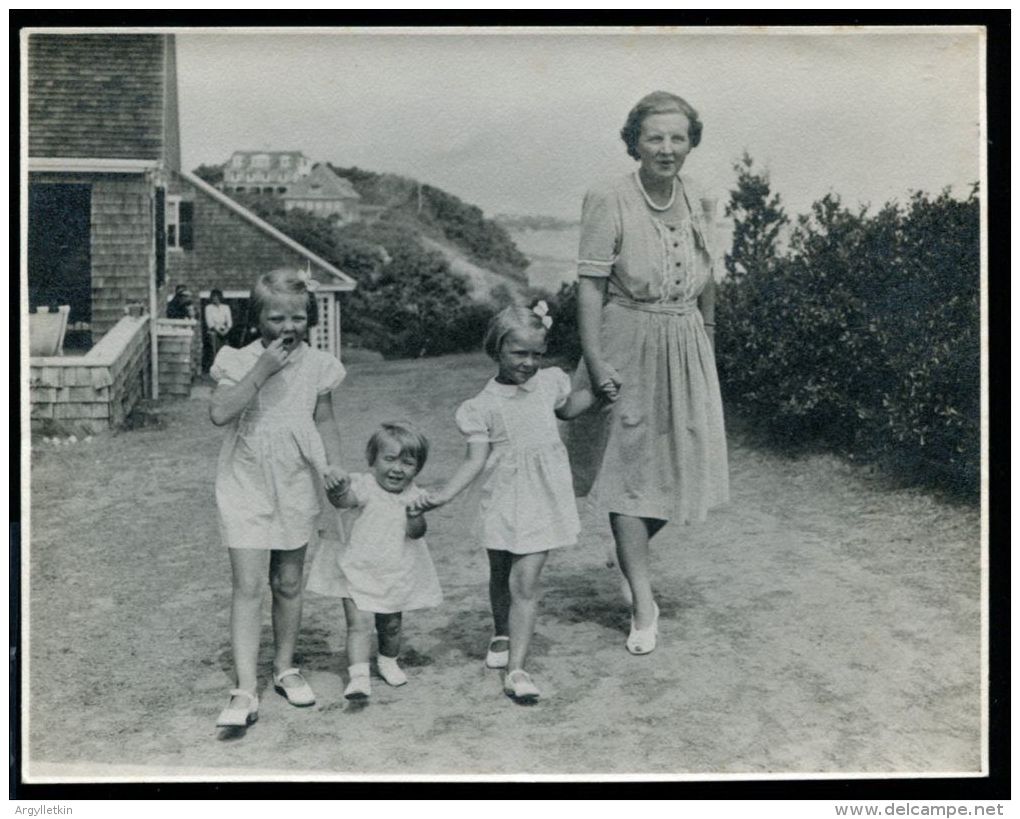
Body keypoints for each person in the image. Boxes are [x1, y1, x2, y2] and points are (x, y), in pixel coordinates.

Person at [567, 90, 730, 656]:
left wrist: (707, 337)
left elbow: (709, 279)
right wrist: (595, 359)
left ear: (691, 143)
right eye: (654, 137)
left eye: (677, 137)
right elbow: (589, 286)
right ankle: (642, 601)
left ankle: (627, 548)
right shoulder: (608, 197)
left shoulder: (703, 198)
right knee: (631, 473)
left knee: (684, 466)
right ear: (634, 141)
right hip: (626, 337)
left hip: (685, 340)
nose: (666, 148)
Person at [418, 304, 602, 703]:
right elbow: (475, 460)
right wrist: (445, 494)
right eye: (520, 354)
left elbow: (567, 410)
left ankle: (517, 669)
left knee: (525, 582)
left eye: (537, 353)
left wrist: (598, 396)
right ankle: (501, 631)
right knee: (500, 573)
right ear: (497, 350)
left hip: (542, 498)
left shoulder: (551, 381)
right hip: (501, 497)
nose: (530, 363)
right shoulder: (481, 406)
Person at [209, 268, 347, 728]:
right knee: (248, 586)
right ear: (257, 317)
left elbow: (324, 421)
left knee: (288, 582)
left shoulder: (318, 365)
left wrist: (333, 465)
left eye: (298, 317)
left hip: (293, 480)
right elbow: (220, 413)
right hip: (246, 481)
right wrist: (262, 369)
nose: (289, 327)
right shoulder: (237, 359)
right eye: (276, 318)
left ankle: (286, 666)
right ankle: (245, 689)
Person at [306, 422, 439, 700]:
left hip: (395, 569)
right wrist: (338, 488)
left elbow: (417, 533)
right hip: (357, 568)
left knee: (390, 625)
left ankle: (388, 660)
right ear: (373, 460)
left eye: (408, 463)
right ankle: (358, 676)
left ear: (417, 469)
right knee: (359, 624)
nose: (397, 469)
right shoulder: (364, 486)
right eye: (389, 459)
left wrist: (415, 516)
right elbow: (344, 501)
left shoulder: (415, 495)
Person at [205, 288, 233, 360]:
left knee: (226, 351)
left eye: (217, 297)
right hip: (214, 332)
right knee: (215, 353)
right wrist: (219, 332)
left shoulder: (225, 307)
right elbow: (210, 323)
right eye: (213, 297)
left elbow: (229, 321)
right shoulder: (208, 308)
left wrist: (226, 330)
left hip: (224, 331)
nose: (215, 299)